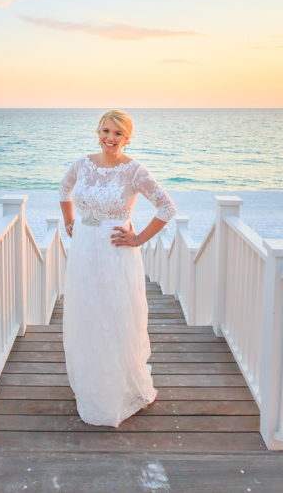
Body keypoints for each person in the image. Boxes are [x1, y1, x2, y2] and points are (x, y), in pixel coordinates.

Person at [58, 109, 177, 427]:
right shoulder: (81, 163)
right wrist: (70, 220)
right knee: (88, 314)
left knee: (115, 316)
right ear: (97, 131)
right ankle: (92, 384)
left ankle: (116, 388)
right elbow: (63, 189)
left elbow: (167, 207)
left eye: (118, 134)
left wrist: (137, 238)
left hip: (115, 252)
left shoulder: (135, 171)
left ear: (127, 138)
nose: (110, 138)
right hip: (84, 250)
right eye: (106, 131)